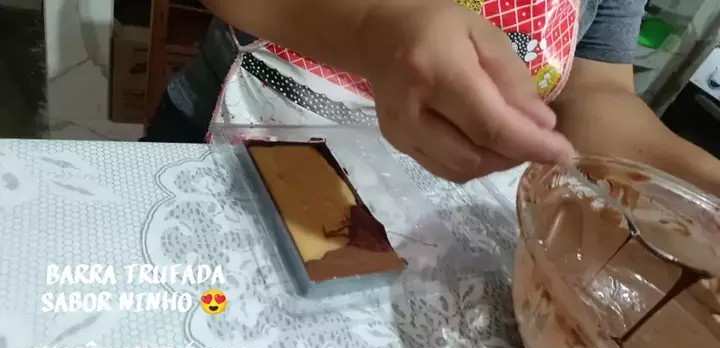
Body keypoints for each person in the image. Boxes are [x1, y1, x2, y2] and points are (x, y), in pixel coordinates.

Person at [142, 0, 720, 195]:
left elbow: (597, 90)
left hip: (433, 210)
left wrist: (697, 182)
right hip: (236, 148)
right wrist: (374, 27)